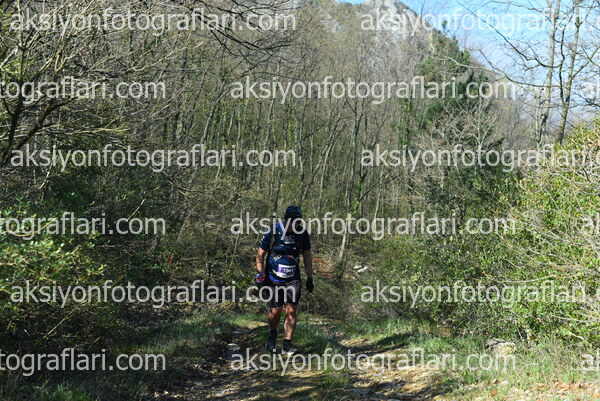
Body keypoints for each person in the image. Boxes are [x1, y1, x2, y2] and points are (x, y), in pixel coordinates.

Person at [255, 205, 313, 355]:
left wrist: (310, 277)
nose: (295, 225)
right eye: (293, 222)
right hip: (273, 278)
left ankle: (287, 344)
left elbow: (307, 255)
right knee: (276, 311)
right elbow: (260, 254)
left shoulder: (302, 234)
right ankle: (272, 332)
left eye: (298, 222)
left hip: (293, 278)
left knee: (291, 310)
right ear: (286, 219)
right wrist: (260, 274)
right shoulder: (273, 232)